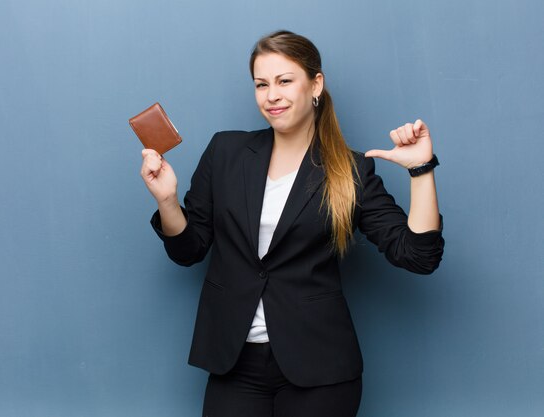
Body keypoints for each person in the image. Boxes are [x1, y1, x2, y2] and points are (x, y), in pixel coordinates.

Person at [139, 30, 444, 417]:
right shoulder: (226, 152)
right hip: (234, 363)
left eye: (285, 81)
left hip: (320, 368)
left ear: (316, 84)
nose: (272, 95)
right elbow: (188, 250)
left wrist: (421, 170)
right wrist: (167, 200)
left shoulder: (349, 170)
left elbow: (419, 256)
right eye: (261, 84)